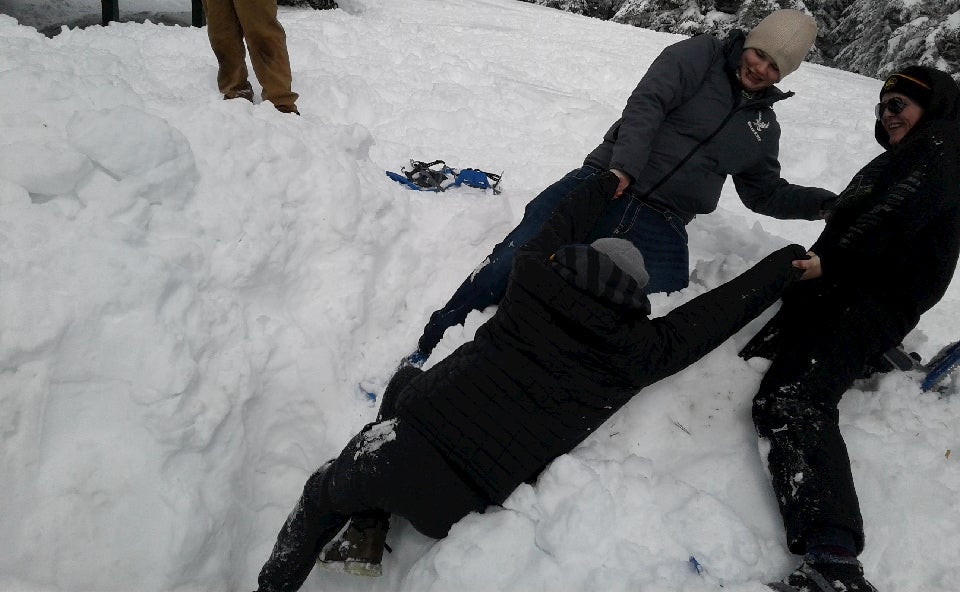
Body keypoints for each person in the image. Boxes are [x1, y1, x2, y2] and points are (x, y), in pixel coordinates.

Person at [253, 172, 808, 591]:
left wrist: (602, 186)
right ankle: (373, 520)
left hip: (404, 443)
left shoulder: (533, 281)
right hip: (465, 501)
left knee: (334, 477)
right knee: (406, 407)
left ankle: (283, 578)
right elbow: (713, 316)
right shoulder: (643, 351)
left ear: (582, 263)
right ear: (633, 295)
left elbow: (555, 225)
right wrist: (785, 266)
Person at [412, 8, 836, 362]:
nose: (760, 68)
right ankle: (432, 345)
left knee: (653, 309)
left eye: (775, 66)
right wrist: (624, 168)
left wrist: (825, 205)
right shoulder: (699, 56)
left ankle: (536, 371)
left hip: (665, 220)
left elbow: (764, 193)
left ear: (786, 73)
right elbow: (647, 104)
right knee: (519, 257)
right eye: (760, 53)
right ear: (749, 42)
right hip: (606, 180)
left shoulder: (763, 127)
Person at [742, 66, 960, 592]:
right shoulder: (917, 153)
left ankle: (834, 563)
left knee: (795, 399)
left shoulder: (943, 147)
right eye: (883, 105)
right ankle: (877, 356)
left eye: (901, 104)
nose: (888, 114)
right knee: (785, 368)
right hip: (856, 292)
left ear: (932, 108)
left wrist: (832, 262)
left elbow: (891, 221)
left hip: (870, 296)